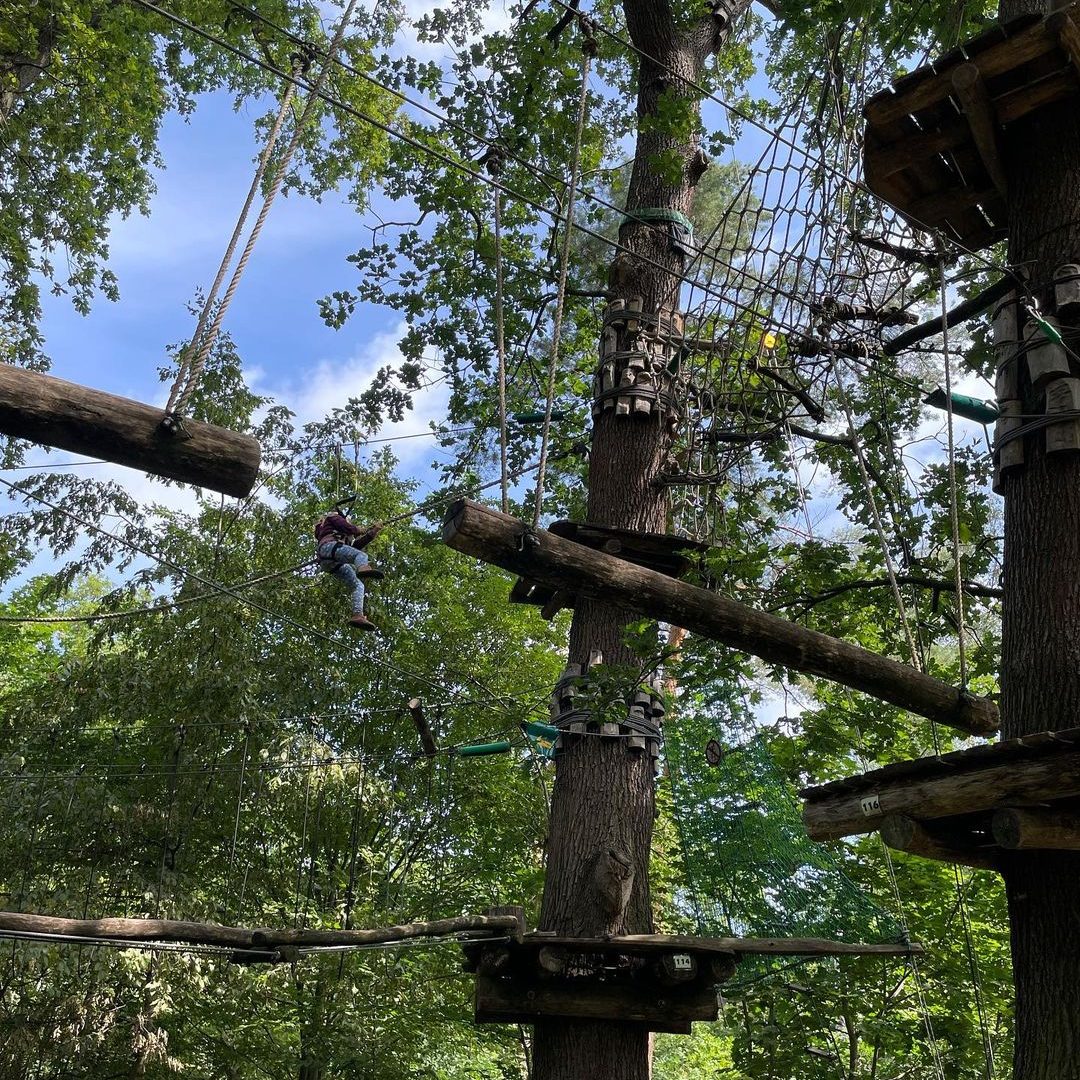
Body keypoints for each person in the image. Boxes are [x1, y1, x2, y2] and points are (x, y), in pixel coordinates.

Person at [314, 506, 384, 630]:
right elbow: (347, 527)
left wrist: (373, 532)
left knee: (358, 585)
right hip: (329, 548)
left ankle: (358, 615)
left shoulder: (345, 536)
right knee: (361, 556)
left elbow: (355, 546)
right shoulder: (333, 517)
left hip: (330, 562)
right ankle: (362, 568)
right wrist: (357, 529)